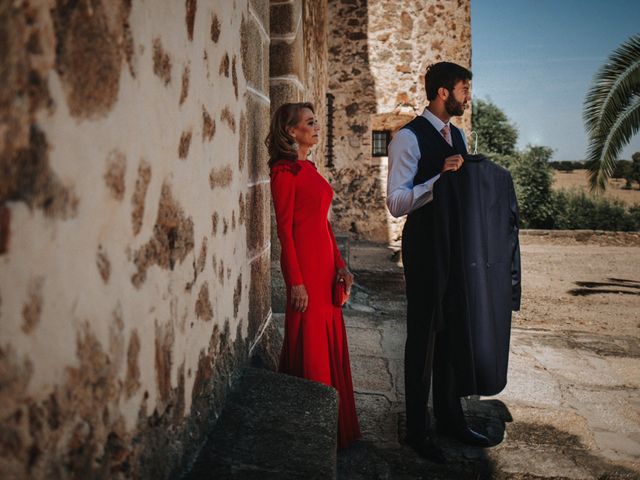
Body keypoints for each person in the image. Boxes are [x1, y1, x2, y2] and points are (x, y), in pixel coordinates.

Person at [386, 61, 490, 463]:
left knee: (452, 331)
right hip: (425, 247)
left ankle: (451, 417)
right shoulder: (406, 139)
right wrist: (437, 180)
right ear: (443, 92)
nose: (468, 96)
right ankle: (417, 429)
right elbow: (396, 203)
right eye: (464, 89)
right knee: (424, 335)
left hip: (456, 247)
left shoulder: (458, 135)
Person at [266, 102, 361, 449]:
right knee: (310, 346)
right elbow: (284, 230)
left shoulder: (308, 168)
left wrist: (340, 265)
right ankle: (311, 431)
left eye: (316, 122)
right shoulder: (283, 172)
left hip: (324, 268)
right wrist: (295, 281)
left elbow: (322, 224)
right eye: (309, 123)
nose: (316, 127)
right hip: (305, 271)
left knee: (326, 340)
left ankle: (330, 425)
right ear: (292, 131)